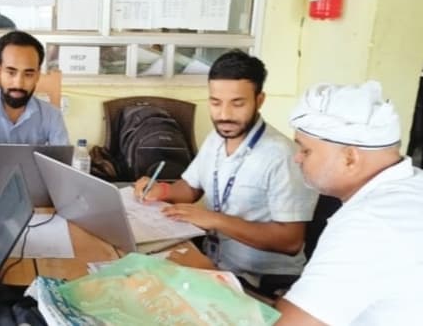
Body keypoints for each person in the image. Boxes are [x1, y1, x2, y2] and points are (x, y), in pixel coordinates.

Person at [133, 50, 317, 293]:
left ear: (259, 100)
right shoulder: (216, 139)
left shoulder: (282, 156)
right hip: (216, 264)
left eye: (237, 103)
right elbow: (190, 187)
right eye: (215, 102)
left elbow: (290, 241)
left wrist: (216, 220)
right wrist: (162, 190)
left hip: (262, 282)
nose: (224, 115)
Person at [276, 81, 423, 325]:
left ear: (350, 158)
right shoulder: (420, 181)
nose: (297, 158)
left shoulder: (369, 223)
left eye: (306, 151)